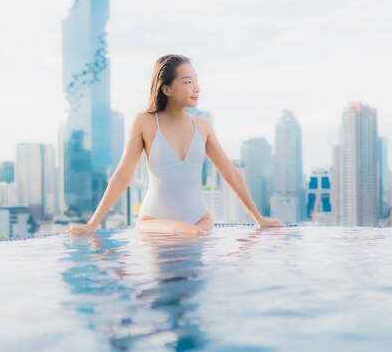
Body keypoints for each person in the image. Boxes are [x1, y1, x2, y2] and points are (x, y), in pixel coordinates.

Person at [68, 54, 284, 236]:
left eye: (196, 81)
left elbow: (231, 173)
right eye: (188, 82)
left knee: (194, 254)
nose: (196, 88)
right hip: (155, 222)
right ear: (167, 89)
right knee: (190, 236)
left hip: (201, 222)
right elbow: (123, 175)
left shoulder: (203, 126)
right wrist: (92, 224)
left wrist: (259, 219)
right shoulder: (145, 122)